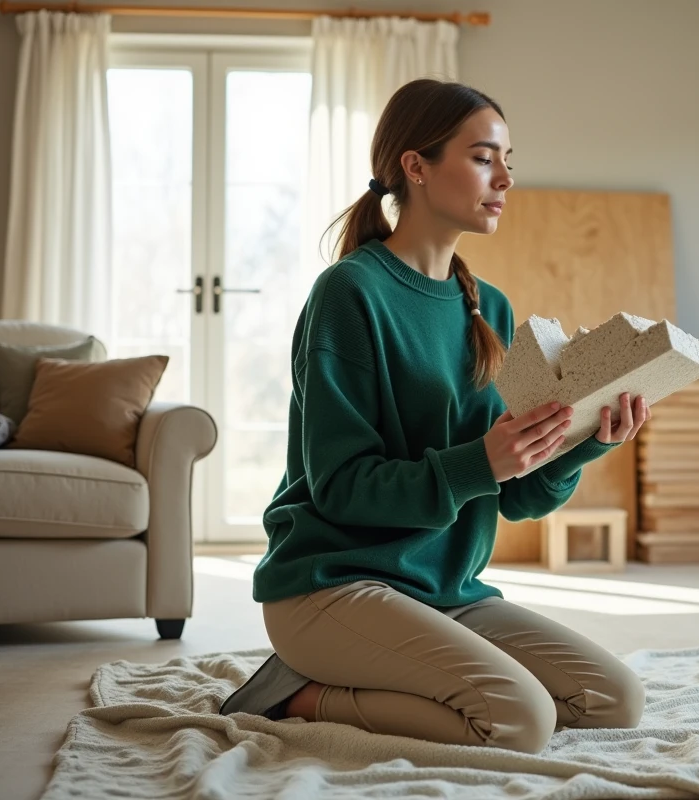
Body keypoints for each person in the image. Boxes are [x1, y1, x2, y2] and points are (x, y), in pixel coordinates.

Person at [219, 79, 649, 755]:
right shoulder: (350, 293)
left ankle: (394, 671)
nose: (505, 177)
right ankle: (297, 694)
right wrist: (478, 461)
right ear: (415, 166)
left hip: (445, 588)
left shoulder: (491, 308)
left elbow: (518, 498)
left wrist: (587, 439)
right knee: (521, 720)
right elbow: (339, 485)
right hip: (332, 584)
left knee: (614, 700)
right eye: (484, 157)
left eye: (508, 159)